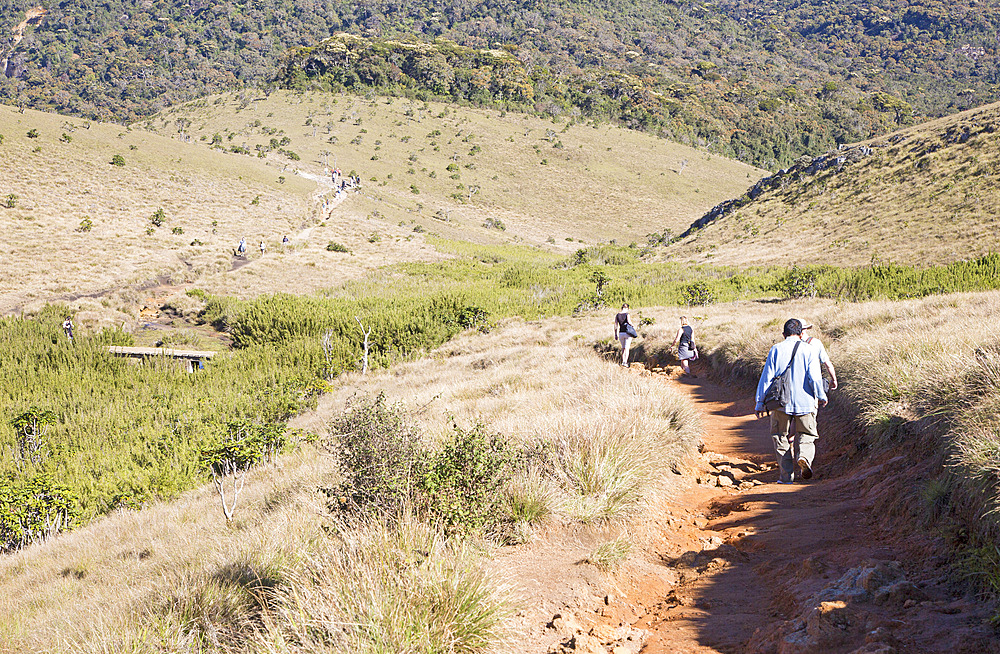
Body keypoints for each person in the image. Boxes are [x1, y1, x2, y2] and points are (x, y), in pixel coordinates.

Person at [755, 319, 828, 483]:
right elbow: (815, 378)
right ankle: (804, 457)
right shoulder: (809, 350)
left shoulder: (776, 349)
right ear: (801, 333)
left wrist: (760, 402)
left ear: (784, 334)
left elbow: (766, 378)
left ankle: (786, 477)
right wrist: (821, 396)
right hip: (806, 402)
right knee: (807, 434)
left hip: (781, 403)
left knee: (780, 436)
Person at [800, 320, 838, 391]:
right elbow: (827, 364)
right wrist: (834, 379)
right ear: (805, 329)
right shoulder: (816, 342)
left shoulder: (791, 344)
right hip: (814, 382)